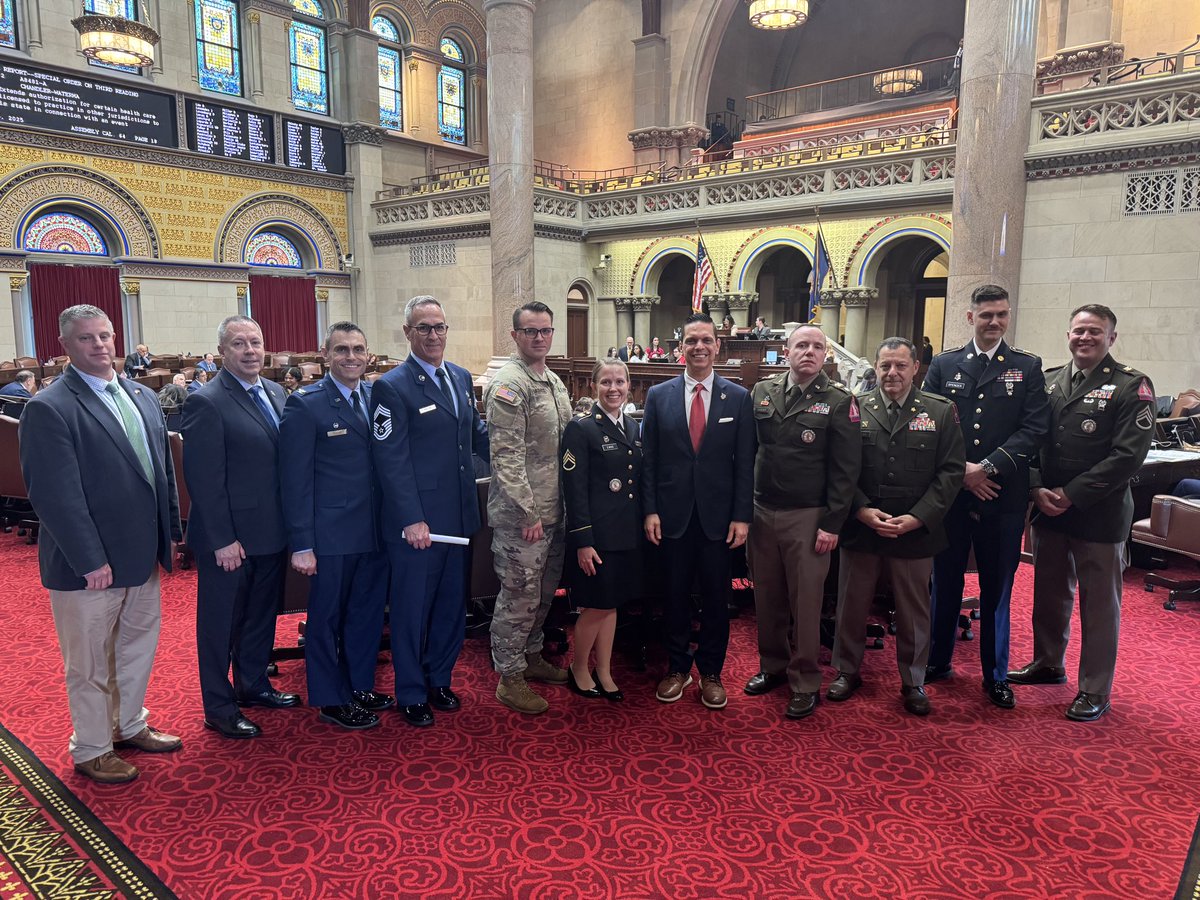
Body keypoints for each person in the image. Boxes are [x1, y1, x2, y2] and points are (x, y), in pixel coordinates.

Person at [20, 305, 183, 784]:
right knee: (89, 662)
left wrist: (170, 532)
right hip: (87, 566)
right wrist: (90, 559)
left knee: (135, 649)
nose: (100, 345)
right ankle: (91, 747)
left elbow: (161, 474)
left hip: (141, 554)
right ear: (66, 346)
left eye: (106, 336)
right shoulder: (50, 407)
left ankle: (129, 724)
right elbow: (56, 496)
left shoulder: (141, 395)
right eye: (87, 338)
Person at [1008, 304, 1155, 722]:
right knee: (1049, 595)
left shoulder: (1132, 386)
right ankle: (1048, 663)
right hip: (1049, 510)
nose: (1084, 338)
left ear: (1111, 337)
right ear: (1068, 335)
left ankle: (1094, 688)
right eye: (1078, 331)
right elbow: (1032, 440)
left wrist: (1070, 494)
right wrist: (1035, 487)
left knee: (1099, 605)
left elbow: (1128, 457)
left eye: (1094, 332)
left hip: (1098, 514)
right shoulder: (1051, 380)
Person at [922, 284, 1049, 709]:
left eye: (1001, 314)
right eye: (986, 314)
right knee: (944, 582)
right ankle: (937, 660)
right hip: (952, 495)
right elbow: (929, 420)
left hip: (1002, 496)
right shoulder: (944, 363)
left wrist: (987, 468)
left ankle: (995, 675)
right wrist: (962, 474)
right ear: (969, 317)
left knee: (998, 588)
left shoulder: (1027, 367)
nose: (994, 321)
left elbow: (1033, 430)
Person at [828, 337, 964, 717]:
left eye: (900, 366)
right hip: (863, 527)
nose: (892, 373)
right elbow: (840, 468)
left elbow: (951, 472)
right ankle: (846, 671)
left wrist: (919, 517)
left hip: (916, 529)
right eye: (885, 365)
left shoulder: (940, 411)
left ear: (915, 367)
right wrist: (860, 510)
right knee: (851, 605)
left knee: (913, 611)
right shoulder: (855, 407)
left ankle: (913, 679)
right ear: (875, 366)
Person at [372, 297, 490, 726]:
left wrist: (519, 460)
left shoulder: (459, 377)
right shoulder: (392, 386)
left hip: (459, 517)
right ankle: (411, 691)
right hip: (419, 525)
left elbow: (475, 436)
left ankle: (439, 678)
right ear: (408, 333)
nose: (434, 335)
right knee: (411, 610)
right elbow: (391, 459)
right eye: (424, 328)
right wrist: (410, 518)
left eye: (440, 326)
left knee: (449, 607)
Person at [183, 315, 298, 740]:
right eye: (239, 344)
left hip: (271, 531)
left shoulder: (276, 392)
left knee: (260, 617)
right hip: (229, 540)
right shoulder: (207, 401)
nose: (250, 350)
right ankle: (218, 705)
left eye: (256, 342)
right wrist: (222, 539)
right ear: (221, 352)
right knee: (219, 625)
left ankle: (252, 684)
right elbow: (204, 481)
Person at [279, 321, 394, 731]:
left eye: (358, 349)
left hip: (374, 532)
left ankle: (359, 685)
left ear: (368, 354)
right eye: (341, 350)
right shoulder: (306, 404)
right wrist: (302, 543)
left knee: (364, 615)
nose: (351, 357)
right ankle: (330, 697)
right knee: (326, 620)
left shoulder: (375, 396)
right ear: (325, 355)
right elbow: (295, 481)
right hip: (330, 535)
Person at [744, 325, 861, 719]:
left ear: (826, 354)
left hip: (809, 517)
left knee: (806, 603)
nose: (809, 352)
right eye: (802, 345)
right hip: (762, 512)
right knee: (768, 597)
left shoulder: (840, 400)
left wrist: (832, 523)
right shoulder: (763, 392)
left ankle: (806, 680)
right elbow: (750, 453)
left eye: (817, 346)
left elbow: (846, 471)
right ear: (786, 350)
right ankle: (773, 666)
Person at [642, 312, 755, 710]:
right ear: (681, 348)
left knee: (715, 600)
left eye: (706, 340)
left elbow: (745, 464)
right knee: (672, 596)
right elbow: (649, 461)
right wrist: (650, 510)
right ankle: (677, 668)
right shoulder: (658, 396)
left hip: (719, 521)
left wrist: (742, 516)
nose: (699, 347)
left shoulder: (739, 398)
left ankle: (711, 672)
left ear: (717, 345)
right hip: (670, 519)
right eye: (692, 341)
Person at [485, 300, 573, 714]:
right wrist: (527, 513)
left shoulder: (552, 380)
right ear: (515, 335)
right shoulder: (510, 384)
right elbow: (506, 455)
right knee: (518, 596)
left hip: (555, 510)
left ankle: (532, 656)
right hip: (524, 518)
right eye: (530, 331)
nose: (539, 338)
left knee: (541, 594)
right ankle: (509, 676)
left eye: (545, 331)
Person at [560, 359, 643, 702]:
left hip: (626, 534)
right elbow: (574, 489)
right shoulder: (581, 428)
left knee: (612, 606)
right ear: (593, 386)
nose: (614, 388)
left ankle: (604, 670)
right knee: (595, 605)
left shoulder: (632, 426)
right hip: (596, 537)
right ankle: (579, 667)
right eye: (606, 382)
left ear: (629, 385)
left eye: (620, 382)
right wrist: (583, 540)